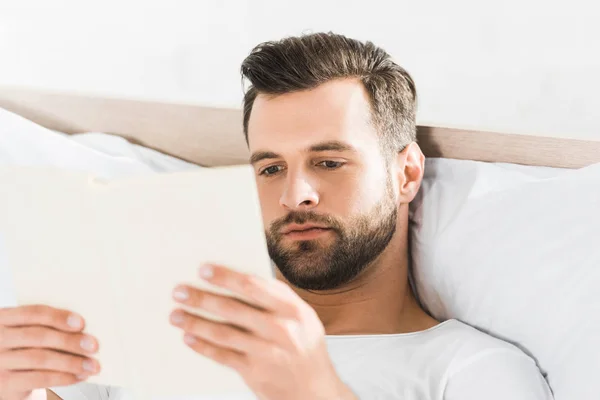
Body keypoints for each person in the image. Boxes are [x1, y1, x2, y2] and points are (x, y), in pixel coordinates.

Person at [0, 32, 554, 400]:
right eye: (270, 169)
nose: (296, 195)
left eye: (329, 161)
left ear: (406, 174)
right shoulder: (157, 340)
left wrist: (313, 389)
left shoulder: (471, 370)